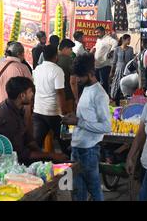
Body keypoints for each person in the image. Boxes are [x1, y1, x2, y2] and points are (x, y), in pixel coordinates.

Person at [61, 54, 112, 201]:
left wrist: (78, 122)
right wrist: (73, 117)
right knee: (78, 192)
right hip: (77, 148)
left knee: (94, 191)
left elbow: (106, 126)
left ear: (90, 74)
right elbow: (85, 117)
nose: (77, 80)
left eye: (80, 77)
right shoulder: (86, 89)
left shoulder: (99, 94)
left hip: (89, 151)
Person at [0, 77, 68, 165]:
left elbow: (28, 139)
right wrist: (51, 155)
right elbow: (22, 154)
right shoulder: (6, 119)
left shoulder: (15, 108)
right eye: (30, 91)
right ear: (22, 95)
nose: (33, 94)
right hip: (7, 163)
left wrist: (46, 154)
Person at [32, 45, 69, 155]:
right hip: (53, 112)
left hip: (38, 110)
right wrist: (64, 112)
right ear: (56, 56)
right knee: (64, 142)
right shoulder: (57, 70)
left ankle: (31, 165)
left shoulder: (37, 69)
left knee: (37, 143)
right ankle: (69, 165)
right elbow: (60, 92)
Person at [0, 42, 32, 108]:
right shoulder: (24, 68)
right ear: (19, 54)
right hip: (16, 109)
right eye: (23, 54)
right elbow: (29, 91)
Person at [91, 26, 118, 94]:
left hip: (105, 65)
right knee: (96, 83)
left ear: (103, 31)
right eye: (96, 33)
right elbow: (97, 47)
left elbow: (115, 43)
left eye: (98, 32)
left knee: (104, 83)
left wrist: (111, 51)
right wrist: (93, 49)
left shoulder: (108, 38)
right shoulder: (99, 40)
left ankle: (105, 97)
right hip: (97, 65)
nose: (96, 34)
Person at [110, 34, 134, 106]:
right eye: (128, 40)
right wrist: (112, 72)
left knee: (126, 87)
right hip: (118, 70)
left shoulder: (131, 49)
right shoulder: (117, 49)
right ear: (124, 40)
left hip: (127, 71)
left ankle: (126, 104)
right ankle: (117, 103)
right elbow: (114, 62)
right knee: (117, 86)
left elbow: (132, 61)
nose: (129, 41)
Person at [57, 39, 76, 114]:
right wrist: (76, 97)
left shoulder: (54, 58)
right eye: (70, 49)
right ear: (65, 48)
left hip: (55, 94)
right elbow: (73, 82)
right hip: (67, 94)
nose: (71, 51)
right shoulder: (69, 60)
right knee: (67, 118)